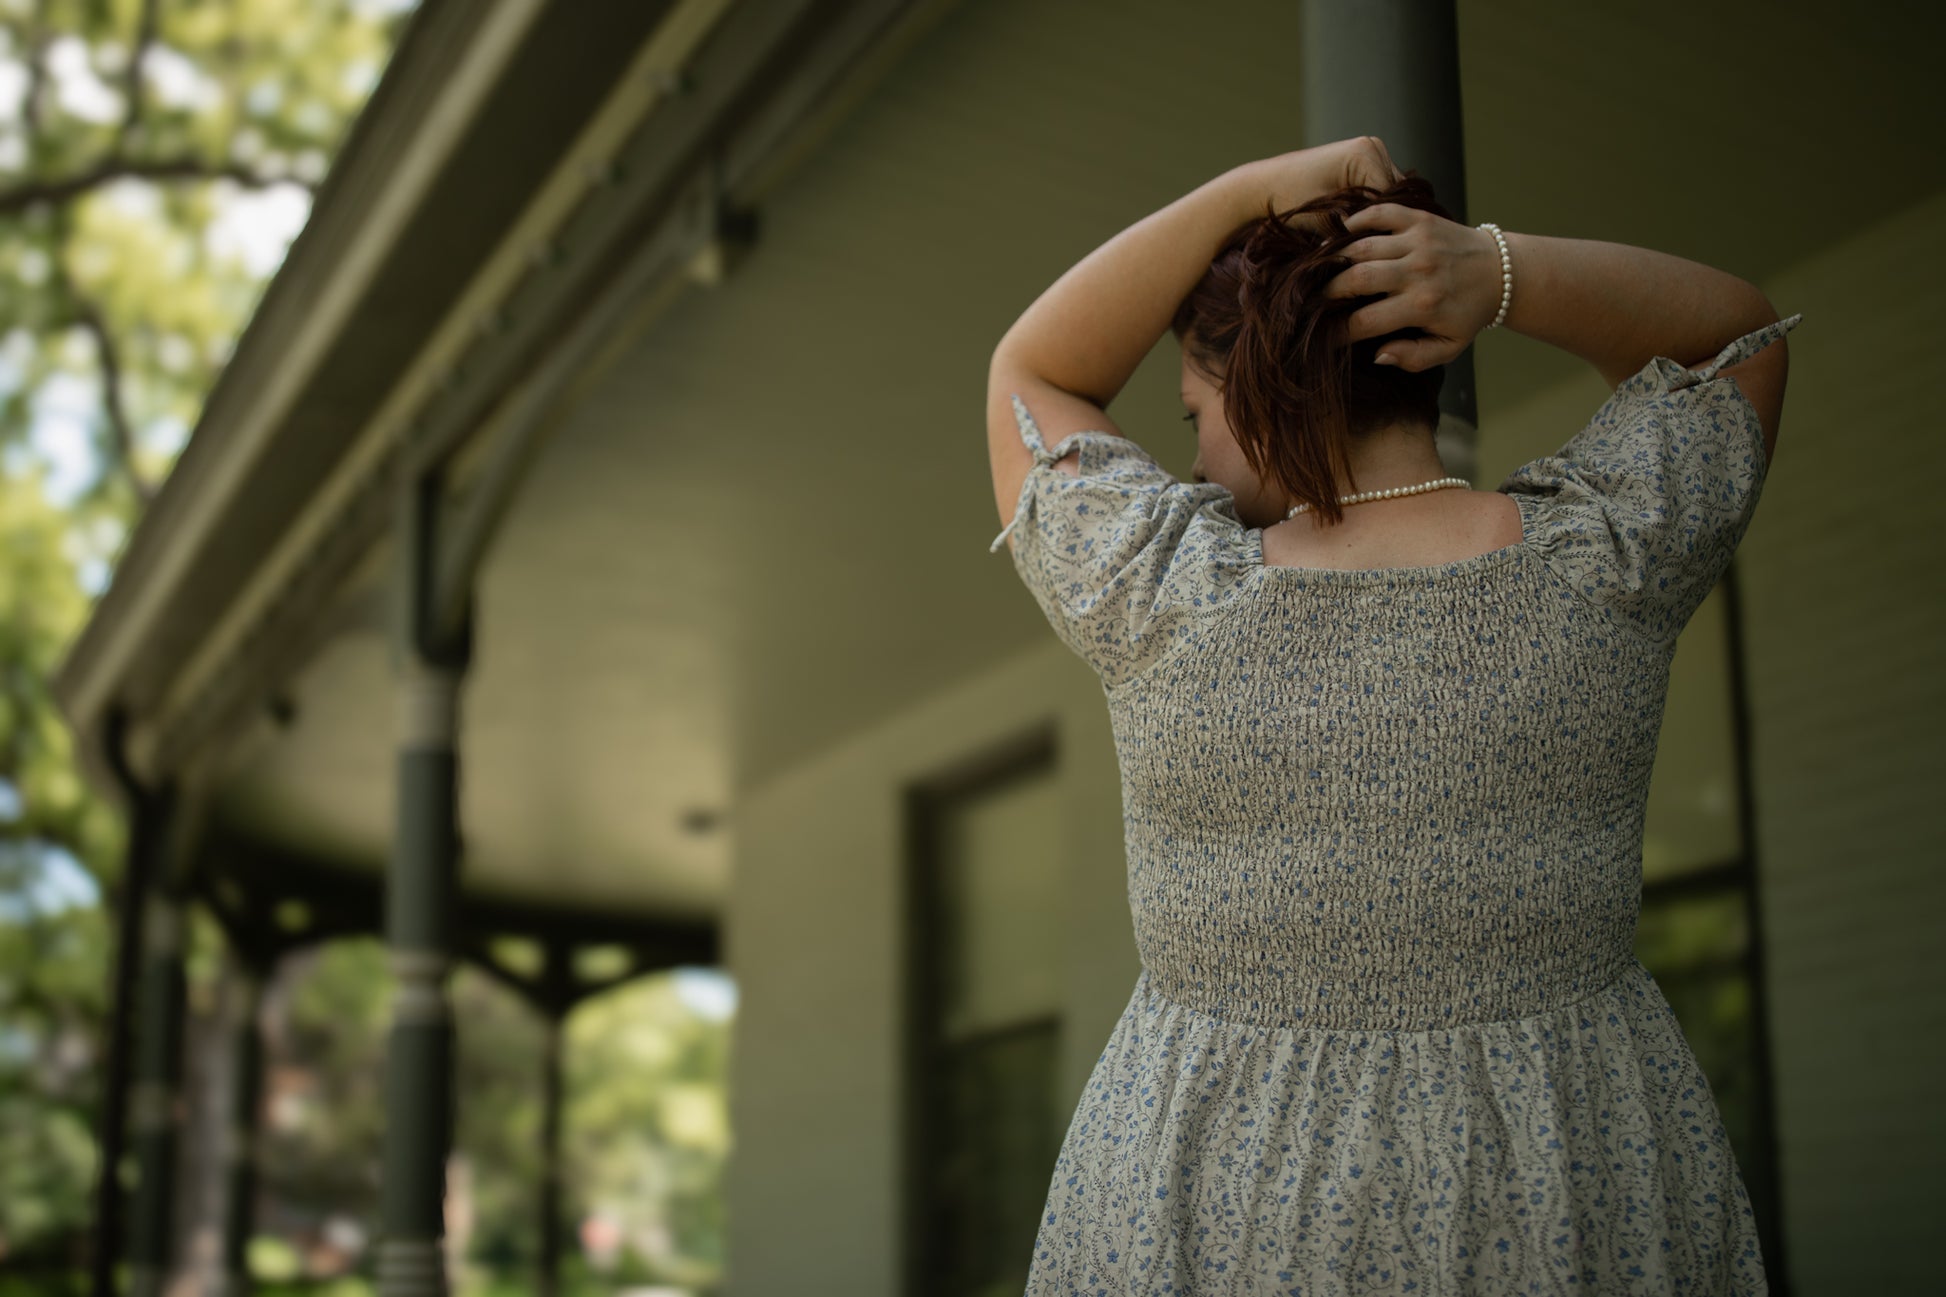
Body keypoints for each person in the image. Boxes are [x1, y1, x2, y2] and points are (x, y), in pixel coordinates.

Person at [985, 135, 1799, 1294]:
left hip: (1212, 1186)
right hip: (1566, 1176)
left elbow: (1031, 370)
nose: (1200, 456)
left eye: (1193, 413)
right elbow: (1737, 342)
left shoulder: (1158, 595)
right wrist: (1495, 273)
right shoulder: (1604, 562)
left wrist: (1249, 191)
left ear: (1259, 388)